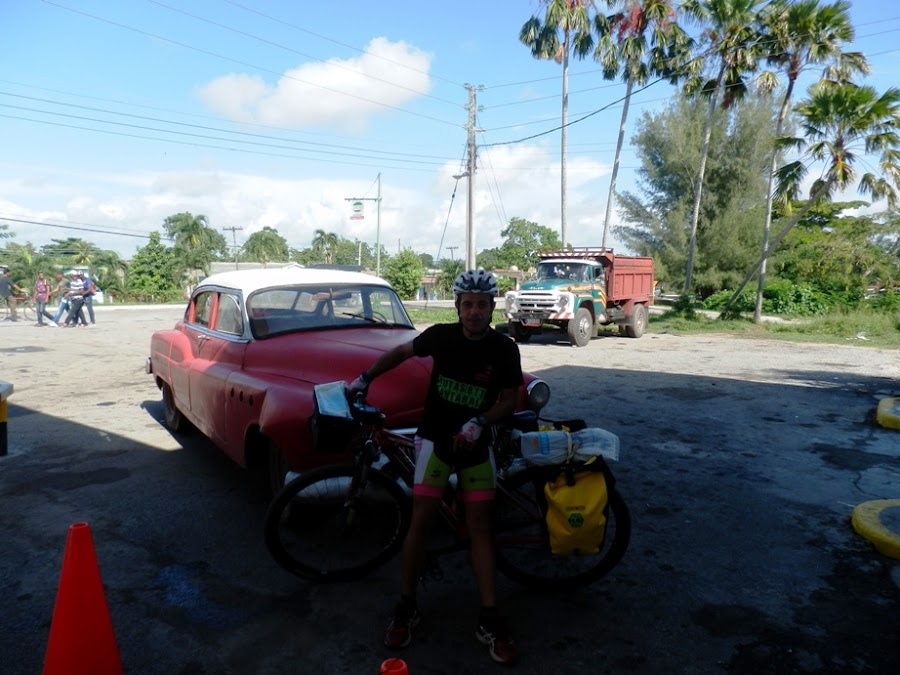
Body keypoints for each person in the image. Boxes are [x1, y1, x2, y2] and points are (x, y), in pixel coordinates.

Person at [347, 270, 523, 665]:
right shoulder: (442, 336)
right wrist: (364, 378)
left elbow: (509, 399)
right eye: (467, 304)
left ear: (492, 308)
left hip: (477, 443)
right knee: (421, 519)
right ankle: (406, 606)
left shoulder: (504, 348)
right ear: (458, 306)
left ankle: (490, 617)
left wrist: (481, 422)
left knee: (480, 526)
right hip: (435, 440)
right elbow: (400, 354)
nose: (474, 312)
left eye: (481, 305)